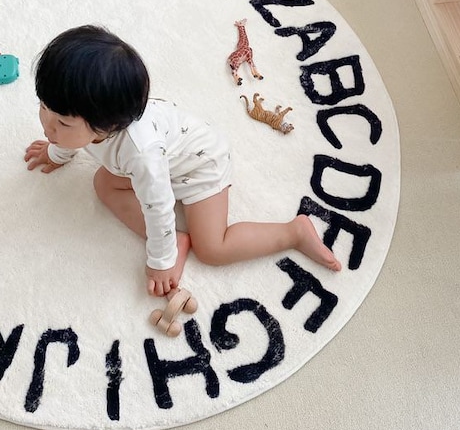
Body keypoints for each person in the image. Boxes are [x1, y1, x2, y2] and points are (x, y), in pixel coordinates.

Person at [24, 25, 341, 296]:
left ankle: (293, 232)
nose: (47, 125)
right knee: (103, 183)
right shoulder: (86, 122)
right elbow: (66, 136)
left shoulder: (141, 154)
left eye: (62, 123)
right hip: (165, 156)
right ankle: (177, 238)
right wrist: (56, 152)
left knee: (212, 249)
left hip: (201, 166)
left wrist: (161, 260)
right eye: (43, 106)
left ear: (109, 124)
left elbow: (158, 206)